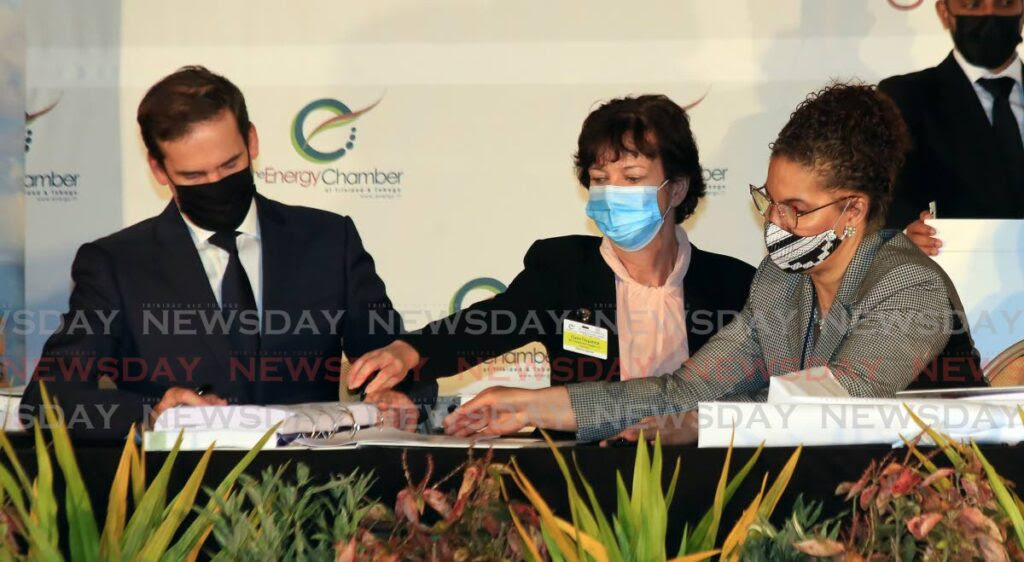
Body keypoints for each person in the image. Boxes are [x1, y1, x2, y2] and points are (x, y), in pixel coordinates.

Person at [444, 83, 981, 443]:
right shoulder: (779, 281)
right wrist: (532, 408)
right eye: (770, 199)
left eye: (796, 209)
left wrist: (700, 426)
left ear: (853, 210)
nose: (776, 221)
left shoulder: (909, 286)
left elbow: (834, 408)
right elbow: (685, 390)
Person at [20, 66, 427, 439]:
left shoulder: (328, 240)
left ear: (252, 141)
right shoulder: (116, 264)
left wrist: (403, 399)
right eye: (194, 176)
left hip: (314, 501)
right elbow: (46, 401)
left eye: (230, 166)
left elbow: (397, 360)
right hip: (181, 507)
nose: (215, 183)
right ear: (159, 171)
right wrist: (152, 413)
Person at [346, 95, 756, 424]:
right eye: (599, 180)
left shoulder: (734, 284)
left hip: (708, 477)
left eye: (631, 178)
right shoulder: (564, 268)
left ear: (678, 188)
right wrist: (410, 352)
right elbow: (488, 324)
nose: (612, 192)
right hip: (582, 480)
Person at [882, 0, 1024, 255]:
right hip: (953, 283)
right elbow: (888, 199)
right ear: (944, 12)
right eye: (973, 5)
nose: (989, 14)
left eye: (1004, 3)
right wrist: (905, 235)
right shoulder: (905, 99)